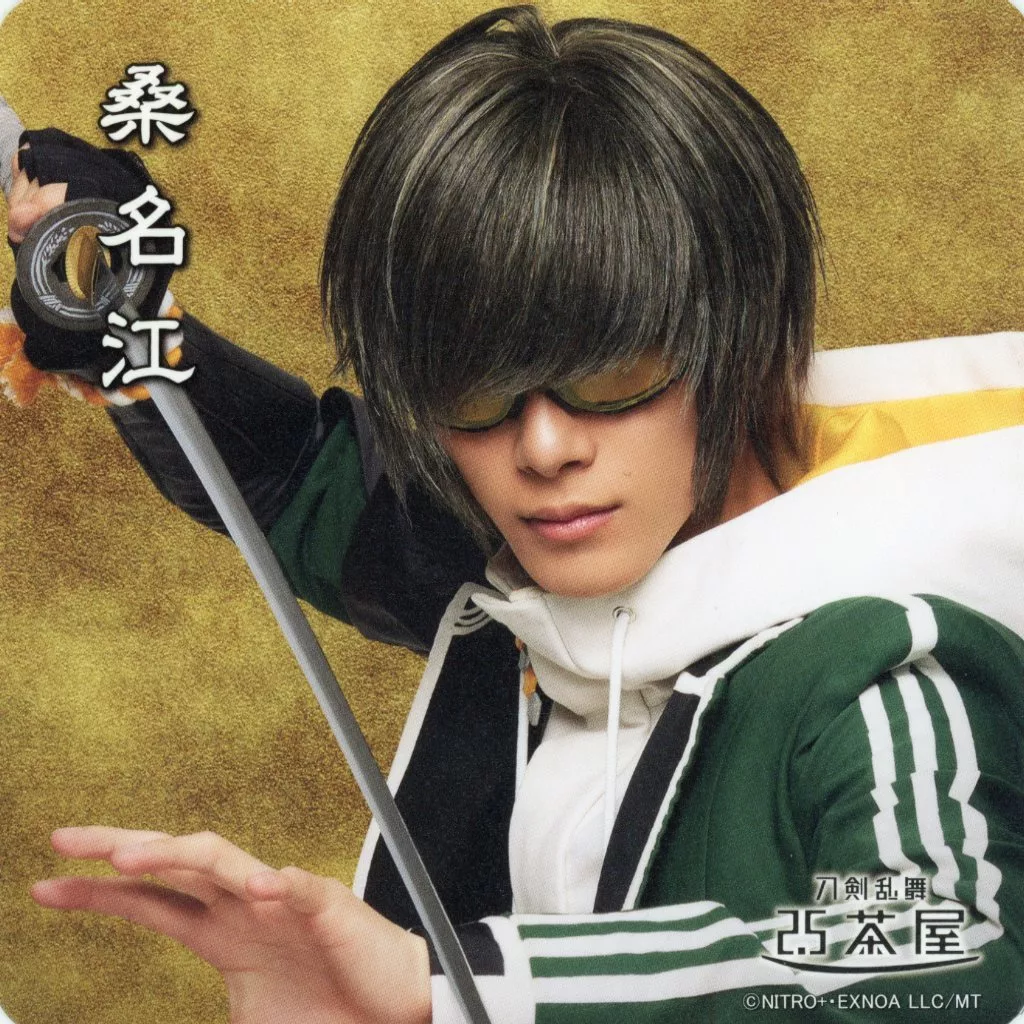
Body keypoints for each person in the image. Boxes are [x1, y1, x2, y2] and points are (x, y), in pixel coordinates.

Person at [4, 6, 1023, 1022]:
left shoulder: (879, 677)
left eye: (613, 371)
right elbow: (295, 478)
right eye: (474, 386)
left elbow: (939, 949)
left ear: (742, 345)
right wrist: (128, 322)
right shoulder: (522, 576)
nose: (541, 448)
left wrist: (454, 988)